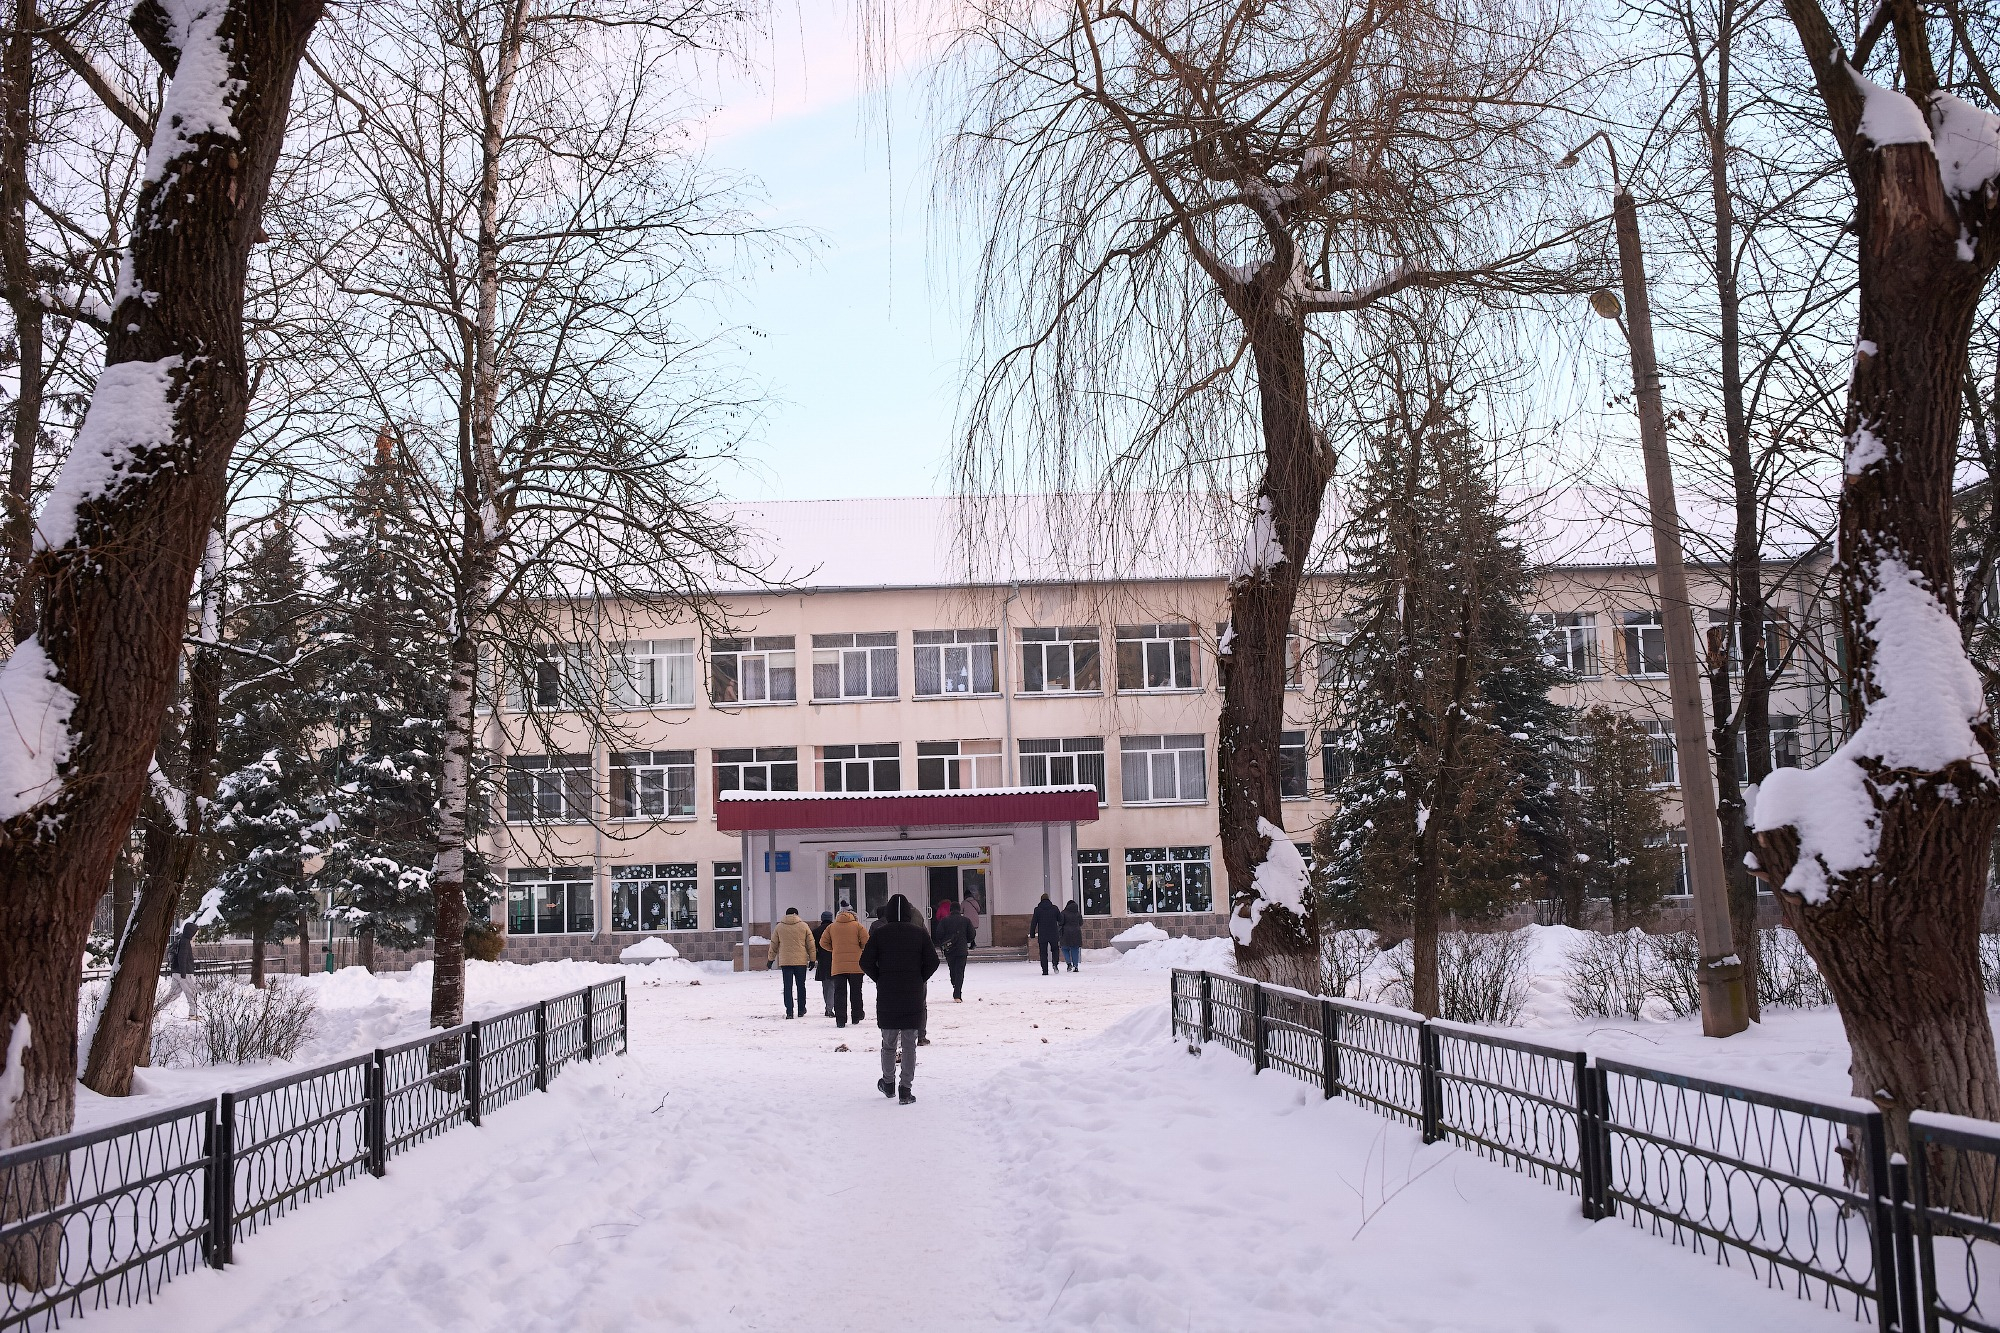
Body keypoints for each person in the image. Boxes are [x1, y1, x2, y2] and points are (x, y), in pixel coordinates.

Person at [859, 894, 939, 1104]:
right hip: (912, 994)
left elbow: (865, 962)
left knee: (889, 1043)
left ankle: (888, 1083)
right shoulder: (919, 933)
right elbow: (933, 961)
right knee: (910, 1043)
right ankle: (906, 1089)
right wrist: (919, 978)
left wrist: (880, 978)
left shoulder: (880, 934)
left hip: (887, 995)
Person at [820, 905, 870, 1027]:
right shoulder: (858, 926)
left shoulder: (832, 927)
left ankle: (841, 1019)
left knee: (839, 993)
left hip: (838, 966)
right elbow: (867, 942)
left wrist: (834, 949)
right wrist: (860, 948)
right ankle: (856, 1016)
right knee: (856, 991)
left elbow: (823, 942)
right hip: (856, 965)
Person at [770, 907, 817, 1019]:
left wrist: (770, 959)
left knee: (787, 987)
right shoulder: (804, 926)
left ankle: (789, 1011)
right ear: (796, 914)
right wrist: (812, 959)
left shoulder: (779, 927)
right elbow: (811, 944)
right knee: (801, 986)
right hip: (801, 961)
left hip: (786, 962)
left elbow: (774, 944)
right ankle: (801, 1010)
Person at [154, 919, 202, 1018]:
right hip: (185, 973)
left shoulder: (180, 940)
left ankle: (156, 1009)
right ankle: (193, 1014)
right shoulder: (185, 942)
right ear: (191, 932)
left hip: (176, 972)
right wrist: (184, 973)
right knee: (191, 994)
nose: (196, 936)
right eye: (195, 933)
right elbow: (182, 957)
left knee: (173, 995)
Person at [932, 899, 974, 1001]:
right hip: (961, 949)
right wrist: (966, 941)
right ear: (959, 910)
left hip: (949, 949)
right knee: (960, 971)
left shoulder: (944, 921)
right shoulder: (966, 920)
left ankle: (954, 983)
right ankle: (957, 994)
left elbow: (938, 934)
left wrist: (943, 942)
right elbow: (972, 934)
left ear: (950, 910)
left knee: (952, 968)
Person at [1029, 892, 1064, 976]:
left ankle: (1045, 970)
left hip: (1043, 934)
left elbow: (1034, 922)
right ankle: (1055, 964)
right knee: (1055, 949)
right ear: (1049, 899)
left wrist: (1032, 933)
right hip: (1053, 933)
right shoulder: (1054, 908)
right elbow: (1060, 919)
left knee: (1043, 952)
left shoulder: (1037, 910)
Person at [813, 910, 837, 1017]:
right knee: (833, 985)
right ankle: (830, 1008)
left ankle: (828, 1006)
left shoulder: (816, 931)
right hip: (835, 959)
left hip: (823, 960)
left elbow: (813, 947)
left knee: (826, 985)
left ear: (822, 919)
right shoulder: (835, 929)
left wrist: (815, 958)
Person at [1060, 898, 1084, 972]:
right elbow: (1081, 923)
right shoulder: (1078, 913)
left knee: (1064, 948)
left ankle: (1069, 963)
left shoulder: (1063, 913)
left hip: (1065, 933)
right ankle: (1075, 966)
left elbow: (1060, 923)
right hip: (1076, 933)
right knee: (1075, 949)